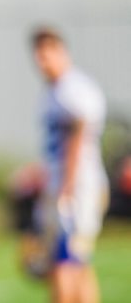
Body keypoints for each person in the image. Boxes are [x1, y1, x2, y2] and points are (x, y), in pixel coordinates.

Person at [32, 27, 109, 303]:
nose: (42, 62)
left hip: (78, 186)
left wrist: (66, 186)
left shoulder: (74, 87)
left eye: (47, 54)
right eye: (38, 56)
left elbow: (78, 135)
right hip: (67, 183)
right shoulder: (54, 90)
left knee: (64, 264)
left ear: (61, 51)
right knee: (78, 264)